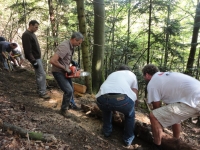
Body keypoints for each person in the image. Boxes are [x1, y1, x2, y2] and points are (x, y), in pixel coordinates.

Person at [142, 64, 200, 150]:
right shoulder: (165, 77)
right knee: (173, 116)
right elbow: (171, 112)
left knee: (153, 116)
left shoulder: (153, 82)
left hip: (194, 100)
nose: (144, 78)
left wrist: (158, 129)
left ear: (147, 74)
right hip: (195, 97)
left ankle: (156, 146)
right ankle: (175, 143)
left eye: (143, 76)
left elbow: (156, 108)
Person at [96, 64, 138, 149]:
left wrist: (114, 109)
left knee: (106, 109)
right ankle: (128, 139)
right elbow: (134, 93)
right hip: (121, 100)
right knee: (130, 114)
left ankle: (106, 132)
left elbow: (110, 92)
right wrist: (132, 106)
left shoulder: (112, 74)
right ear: (128, 70)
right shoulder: (131, 75)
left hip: (101, 99)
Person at [50, 32, 84, 117]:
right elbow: (53, 61)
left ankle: (71, 104)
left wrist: (72, 62)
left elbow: (65, 57)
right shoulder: (64, 46)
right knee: (68, 90)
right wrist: (65, 68)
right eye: (79, 43)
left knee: (71, 88)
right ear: (74, 39)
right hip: (58, 71)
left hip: (65, 71)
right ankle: (63, 110)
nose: (79, 45)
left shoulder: (71, 46)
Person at [22, 20, 50, 99]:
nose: (37, 28)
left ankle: (40, 90)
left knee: (39, 74)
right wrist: (33, 61)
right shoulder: (26, 35)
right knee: (42, 74)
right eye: (36, 27)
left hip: (37, 57)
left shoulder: (32, 34)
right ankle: (42, 92)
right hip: (35, 58)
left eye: (37, 27)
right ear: (31, 25)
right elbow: (27, 50)